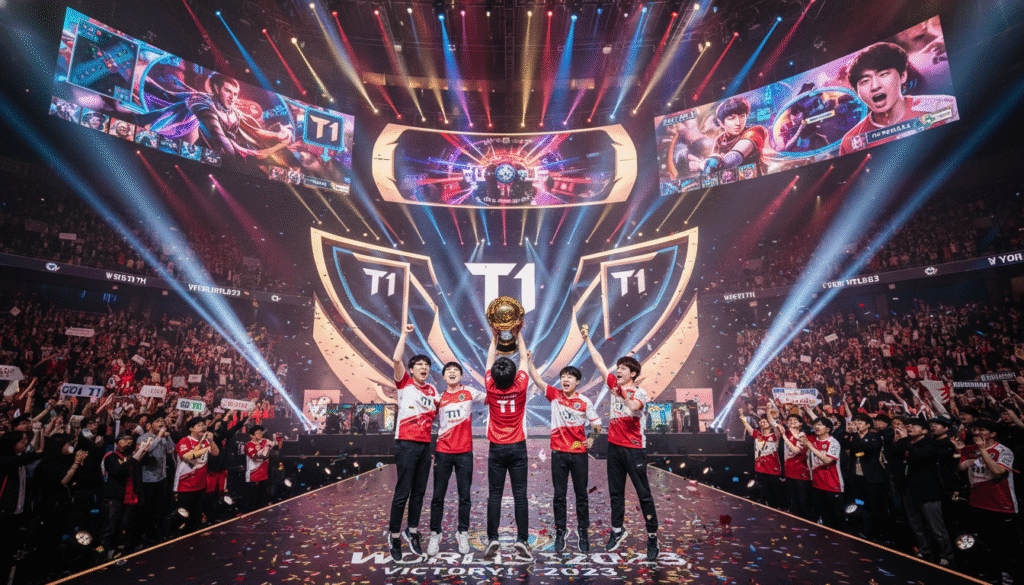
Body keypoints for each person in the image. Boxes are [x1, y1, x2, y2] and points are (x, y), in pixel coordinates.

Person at [582, 326, 659, 561]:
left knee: (643, 494)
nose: (617, 372)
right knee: (616, 493)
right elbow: (599, 363)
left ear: (632, 374)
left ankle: (653, 536)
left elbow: (634, 407)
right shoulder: (614, 386)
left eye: (622, 369)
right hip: (614, 448)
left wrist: (621, 392)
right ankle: (617, 531)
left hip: (634, 449)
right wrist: (587, 339)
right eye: (618, 369)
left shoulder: (640, 392)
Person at [527, 356, 601, 553]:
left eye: (570, 377)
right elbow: (537, 380)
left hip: (578, 454)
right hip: (558, 453)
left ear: (577, 382)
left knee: (581, 495)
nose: (565, 380)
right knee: (559, 496)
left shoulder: (584, 401)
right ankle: (561, 531)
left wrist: (592, 438)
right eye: (563, 377)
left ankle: (583, 531)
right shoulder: (554, 395)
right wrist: (530, 361)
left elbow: (597, 424)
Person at [839, 42, 957, 155]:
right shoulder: (851, 141)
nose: (874, 86)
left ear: (903, 76)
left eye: (883, 74)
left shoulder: (944, 106)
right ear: (857, 92)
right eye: (864, 81)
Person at [388, 323, 440, 562]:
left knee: (419, 492)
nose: (424, 367)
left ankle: (413, 532)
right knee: (403, 493)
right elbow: (397, 358)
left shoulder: (432, 391)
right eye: (419, 364)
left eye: (426, 365)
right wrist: (404, 335)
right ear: (411, 369)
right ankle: (394, 536)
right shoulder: (405, 382)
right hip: (406, 444)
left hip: (424, 445)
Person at [482, 329, 531, 560]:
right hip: (518, 447)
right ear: (513, 375)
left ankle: (493, 538)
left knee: (495, 494)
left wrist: (494, 337)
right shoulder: (520, 386)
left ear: (494, 375)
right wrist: (518, 333)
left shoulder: (490, 386)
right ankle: (522, 541)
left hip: (497, 448)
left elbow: (489, 359)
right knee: (520, 495)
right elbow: (523, 358)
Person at [426, 361, 484, 557]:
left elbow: (491, 397)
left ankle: (463, 533)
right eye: (448, 370)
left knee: (464, 496)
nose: (452, 372)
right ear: (443, 377)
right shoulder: (438, 398)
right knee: (437, 496)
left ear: (461, 375)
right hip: (443, 451)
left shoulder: (469, 392)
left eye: (456, 370)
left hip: (464, 452)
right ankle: (435, 533)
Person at [958, 419, 1018, 582]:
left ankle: (1007, 574)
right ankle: (987, 573)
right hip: (977, 503)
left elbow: (998, 471)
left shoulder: (1004, 451)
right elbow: (961, 467)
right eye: (975, 430)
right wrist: (964, 455)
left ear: (993, 433)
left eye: (982, 430)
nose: (976, 433)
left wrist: (983, 451)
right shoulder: (969, 449)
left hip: (1001, 505)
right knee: (981, 543)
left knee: (1003, 546)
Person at [892, 418, 955, 566]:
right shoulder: (906, 443)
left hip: (928, 491)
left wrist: (904, 441)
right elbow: (896, 460)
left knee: (936, 527)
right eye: (908, 426)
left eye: (914, 426)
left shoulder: (931, 444)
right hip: (909, 490)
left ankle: (947, 556)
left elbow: (920, 455)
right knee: (916, 525)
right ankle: (925, 550)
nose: (910, 428)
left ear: (925, 431)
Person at [688, 96, 769, 177]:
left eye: (742, 116)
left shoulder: (756, 130)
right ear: (721, 123)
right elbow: (716, 169)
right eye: (731, 118)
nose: (738, 123)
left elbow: (733, 158)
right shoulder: (720, 140)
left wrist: (702, 165)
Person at [101, 432, 152, 555]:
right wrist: (135, 457)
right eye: (124, 440)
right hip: (115, 496)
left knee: (126, 525)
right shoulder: (111, 456)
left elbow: (150, 462)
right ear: (116, 443)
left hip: (131, 495)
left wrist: (144, 451)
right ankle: (102, 553)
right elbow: (118, 470)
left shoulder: (133, 456)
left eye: (129, 439)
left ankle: (121, 549)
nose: (128, 442)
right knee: (111, 526)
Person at [847, 412, 889, 541]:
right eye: (855, 422)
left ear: (868, 425)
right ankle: (866, 530)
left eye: (860, 422)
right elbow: (854, 452)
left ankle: (880, 533)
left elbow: (869, 448)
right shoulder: (852, 437)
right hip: (858, 478)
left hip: (873, 478)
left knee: (875, 506)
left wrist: (855, 435)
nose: (857, 425)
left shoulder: (874, 436)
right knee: (862, 504)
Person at [173, 416, 218, 531]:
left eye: (203, 425)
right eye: (199, 425)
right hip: (185, 484)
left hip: (201, 483)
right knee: (183, 515)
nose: (203, 427)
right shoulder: (185, 441)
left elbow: (216, 453)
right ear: (191, 428)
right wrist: (204, 448)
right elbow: (187, 456)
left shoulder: (206, 441)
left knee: (196, 515)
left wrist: (211, 441)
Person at [800, 417, 844, 528]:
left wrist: (810, 447)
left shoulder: (833, 442)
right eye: (815, 425)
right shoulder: (812, 439)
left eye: (820, 425)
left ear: (828, 429)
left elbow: (828, 460)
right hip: (817, 483)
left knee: (837, 516)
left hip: (833, 484)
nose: (816, 427)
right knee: (824, 514)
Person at [138, 416, 174, 543]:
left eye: (162, 421)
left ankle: (156, 531)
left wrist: (167, 436)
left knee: (159, 507)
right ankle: (146, 534)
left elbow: (171, 449)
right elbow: (148, 450)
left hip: (161, 477)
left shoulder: (163, 436)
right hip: (148, 479)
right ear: (150, 424)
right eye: (158, 421)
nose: (161, 423)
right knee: (148, 508)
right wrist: (159, 436)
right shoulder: (143, 437)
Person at [738, 409, 782, 508]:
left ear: (769, 424)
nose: (762, 423)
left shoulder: (775, 435)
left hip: (773, 468)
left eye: (765, 421)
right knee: (764, 490)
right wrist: (743, 419)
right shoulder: (758, 435)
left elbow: (774, 425)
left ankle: (777, 509)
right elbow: (749, 428)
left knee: (775, 491)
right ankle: (766, 508)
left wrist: (769, 410)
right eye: (761, 422)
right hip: (760, 468)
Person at [776, 411, 814, 519]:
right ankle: (797, 522)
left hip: (801, 471)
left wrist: (784, 437)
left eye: (795, 420)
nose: (792, 422)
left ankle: (809, 521)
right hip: (789, 471)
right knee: (794, 500)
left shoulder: (802, 435)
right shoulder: (786, 433)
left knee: (803, 501)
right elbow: (773, 423)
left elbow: (796, 451)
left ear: (801, 423)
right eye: (790, 420)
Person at [244, 425, 273, 511]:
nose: (260, 434)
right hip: (253, 474)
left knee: (263, 496)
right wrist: (264, 449)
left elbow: (275, 446)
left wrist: (276, 441)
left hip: (264, 473)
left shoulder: (265, 441)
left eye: (261, 432)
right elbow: (254, 456)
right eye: (257, 433)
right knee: (253, 498)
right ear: (251, 435)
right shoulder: (249, 445)